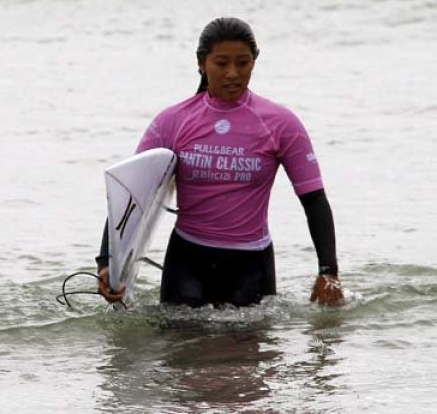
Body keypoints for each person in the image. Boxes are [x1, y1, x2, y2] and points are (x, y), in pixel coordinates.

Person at [96, 17, 343, 308]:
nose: (233, 74)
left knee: (246, 351)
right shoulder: (173, 121)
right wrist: (107, 262)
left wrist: (328, 272)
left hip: (251, 266)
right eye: (221, 63)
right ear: (202, 63)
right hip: (187, 263)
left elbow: (314, 199)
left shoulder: (281, 124)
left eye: (243, 62)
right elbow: (132, 195)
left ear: (254, 62)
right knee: (182, 351)